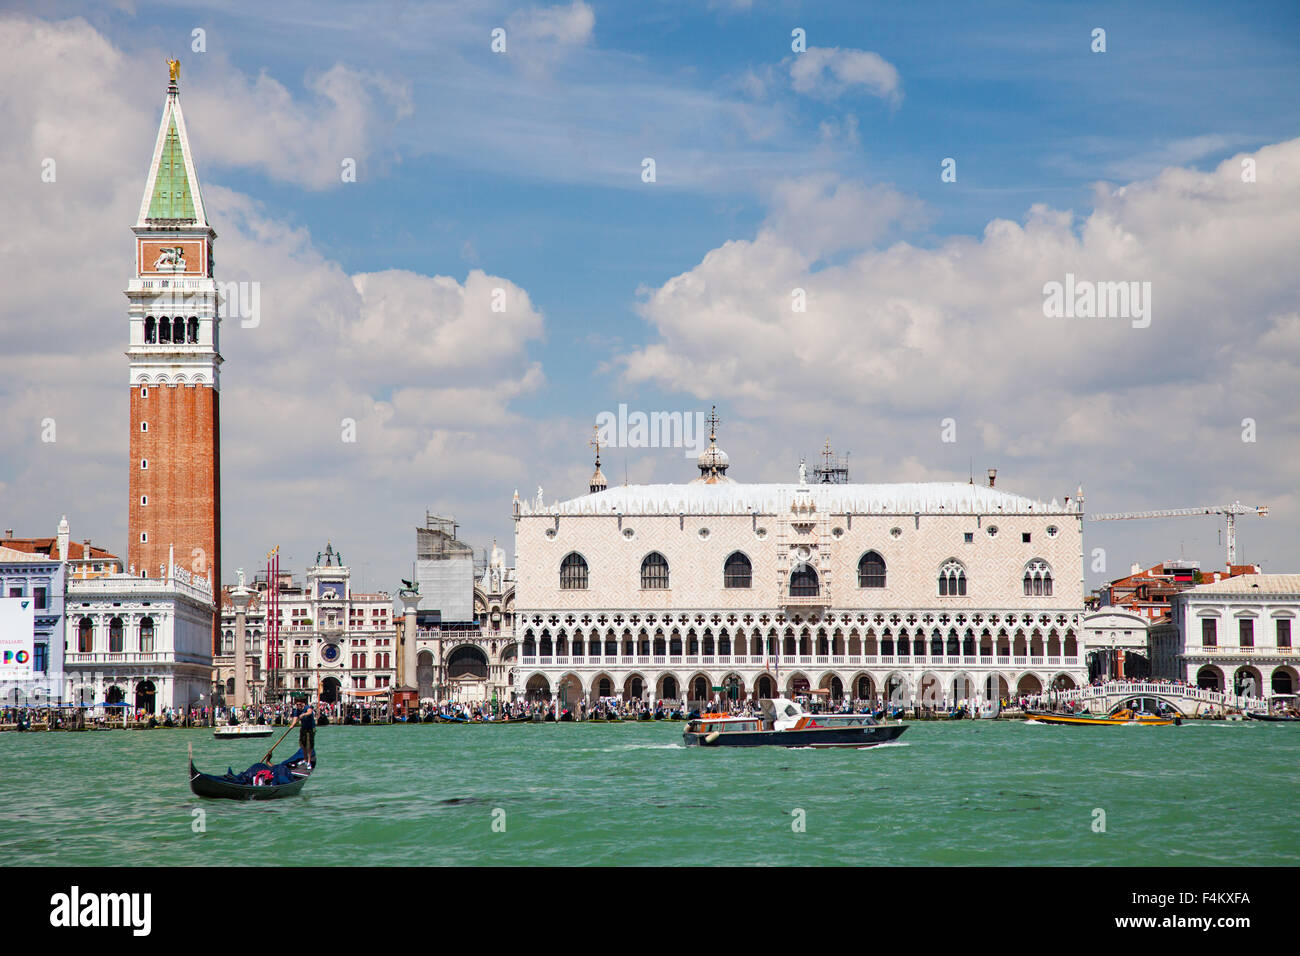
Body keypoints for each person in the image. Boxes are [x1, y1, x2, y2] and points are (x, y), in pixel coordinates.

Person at [289, 702, 317, 766]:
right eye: (297, 705)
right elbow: (295, 719)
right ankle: (305, 759)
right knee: (303, 744)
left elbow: (309, 712)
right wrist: (292, 725)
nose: (298, 706)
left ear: (302, 704)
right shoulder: (296, 711)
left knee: (309, 745)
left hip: (311, 728)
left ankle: (309, 762)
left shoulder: (307, 708)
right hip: (303, 728)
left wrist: (303, 714)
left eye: (300, 704)